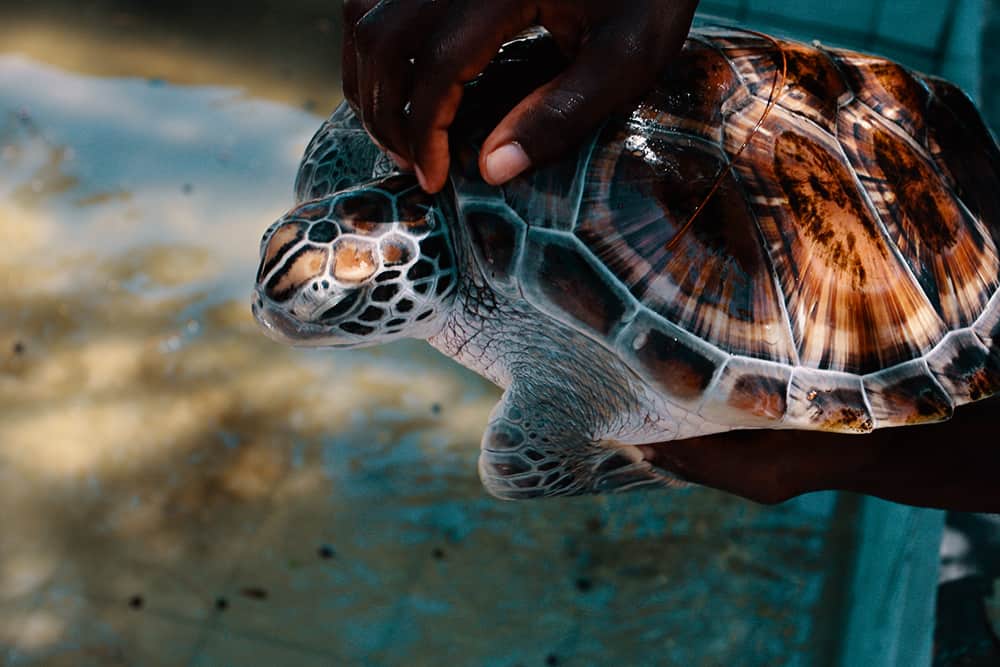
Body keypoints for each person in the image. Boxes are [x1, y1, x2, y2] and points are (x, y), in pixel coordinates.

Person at [340, 0, 1000, 514]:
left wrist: (863, 455)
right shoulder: (369, 172)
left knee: (520, 465)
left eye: (344, 303)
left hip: (937, 263)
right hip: (866, 108)